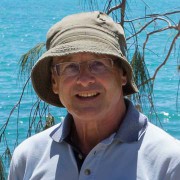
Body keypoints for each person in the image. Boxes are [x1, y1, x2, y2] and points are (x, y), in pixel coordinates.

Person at [8, 11, 180, 180]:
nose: (84, 80)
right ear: (55, 82)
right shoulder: (28, 157)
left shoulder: (169, 162)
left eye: (98, 64)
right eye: (70, 67)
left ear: (123, 75)